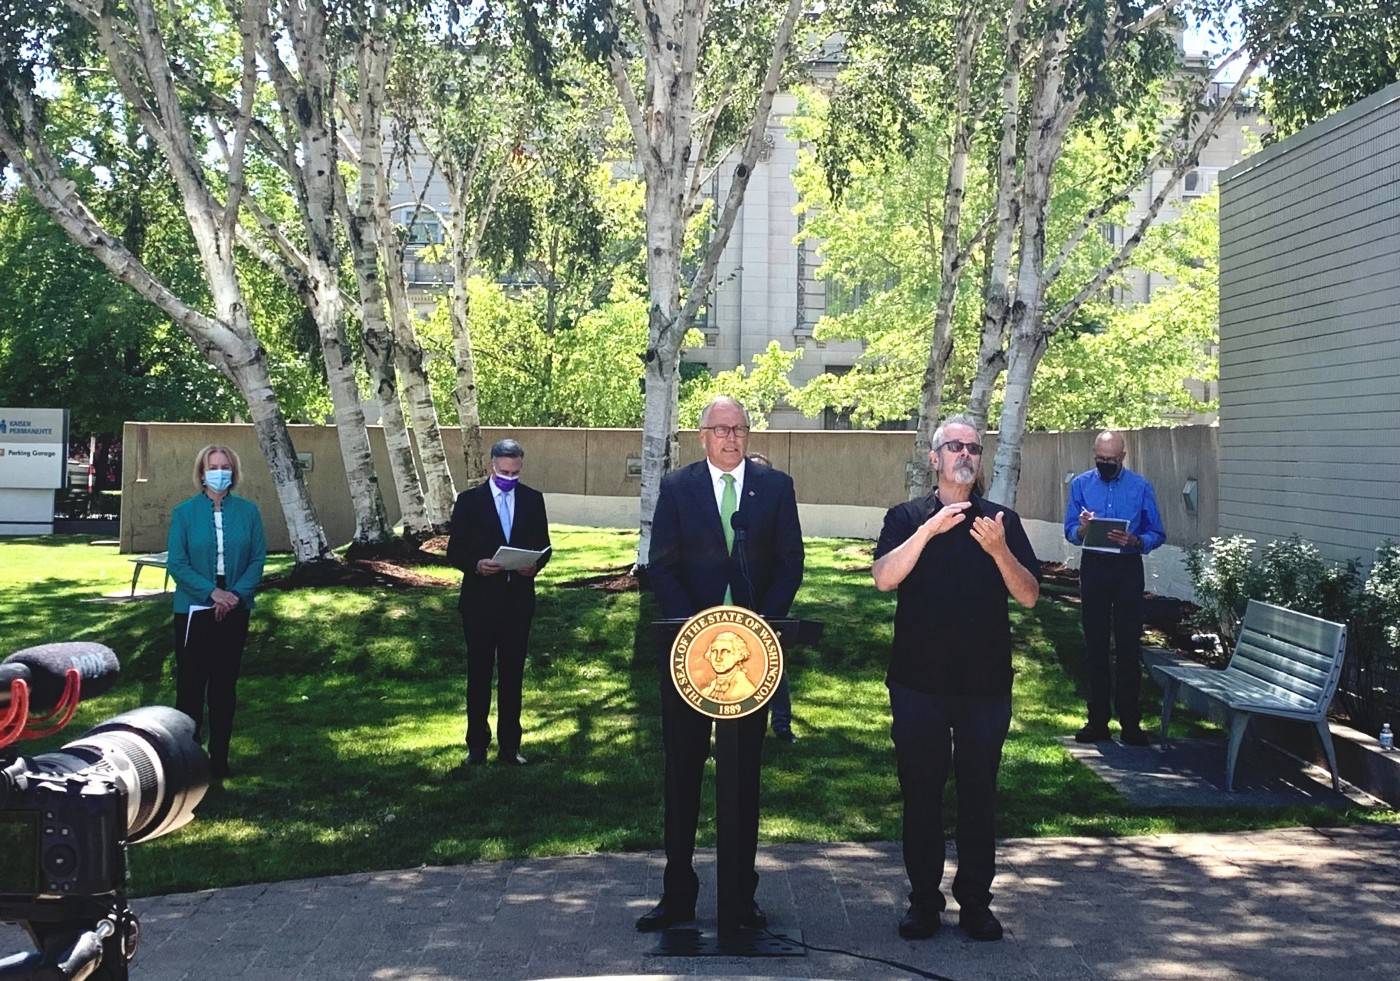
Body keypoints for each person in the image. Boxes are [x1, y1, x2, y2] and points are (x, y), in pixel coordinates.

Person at [636, 396, 804, 933]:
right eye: (721, 429)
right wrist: (697, 632)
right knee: (682, 773)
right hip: (688, 656)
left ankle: (740, 895)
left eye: (740, 429)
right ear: (702, 435)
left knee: (742, 779)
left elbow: (790, 563)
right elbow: (659, 566)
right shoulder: (678, 488)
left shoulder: (775, 489)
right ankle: (677, 895)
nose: (731, 438)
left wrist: (760, 624)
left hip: (753, 661)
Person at [871, 414, 1039, 942]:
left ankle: (976, 905)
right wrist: (929, 530)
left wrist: (998, 550)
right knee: (921, 795)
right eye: (955, 447)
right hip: (918, 683)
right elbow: (883, 579)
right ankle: (923, 902)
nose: (965, 454)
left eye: (973, 447)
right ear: (934, 458)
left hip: (984, 687)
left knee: (978, 796)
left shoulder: (1001, 520)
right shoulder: (905, 516)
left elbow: (1030, 594)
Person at [447, 439, 552, 766]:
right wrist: (476, 565)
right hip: (480, 602)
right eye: (504, 472)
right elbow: (454, 551)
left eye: (515, 472)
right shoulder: (469, 501)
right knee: (479, 675)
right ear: (492, 466)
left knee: (512, 677)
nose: (510, 477)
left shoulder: (533, 500)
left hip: (518, 602)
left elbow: (544, 546)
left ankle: (510, 747)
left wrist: (534, 565)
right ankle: (476, 746)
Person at [166, 444, 267, 782]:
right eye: (213, 466)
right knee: (191, 687)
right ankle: (188, 760)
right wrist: (212, 593)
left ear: (233, 472)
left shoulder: (249, 512)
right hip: (194, 608)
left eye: (225, 466)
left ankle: (219, 759)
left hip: (235, 606)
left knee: (224, 687)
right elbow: (177, 564)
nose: (219, 472)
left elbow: (257, 559)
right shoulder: (184, 513)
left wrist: (235, 595)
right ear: (201, 472)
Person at [1063, 430, 1166, 746]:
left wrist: (1136, 540)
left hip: (1126, 569)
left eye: (1111, 460)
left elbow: (1157, 532)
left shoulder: (1140, 486)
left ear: (1123, 457)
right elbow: (1070, 530)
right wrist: (1082, 529)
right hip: (1094, 566)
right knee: (1094, 644)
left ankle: (1131, 723)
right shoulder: (1081, 484)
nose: (1106, 464)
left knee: (1127, 646)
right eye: (1100, 459)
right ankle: (1097, 721)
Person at [699, 631, 758, 702]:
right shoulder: (706, 692)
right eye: (714, 651)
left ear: (740, 655)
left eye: (726, 652)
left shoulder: (746, 691)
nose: (718, 658)